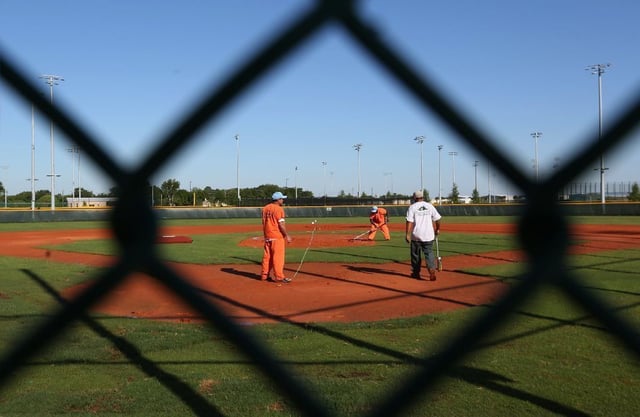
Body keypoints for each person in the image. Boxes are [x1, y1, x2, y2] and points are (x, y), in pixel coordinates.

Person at [405, 190, 442, 281]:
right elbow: (438, 219)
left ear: (415, 198)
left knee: (416, 255)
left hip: (416, 235)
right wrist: (437, 229)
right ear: (423, 197)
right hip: (429, 235)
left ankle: (416, 273)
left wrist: (407, 234)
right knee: (429, 253)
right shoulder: (430, 206)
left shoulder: (412, 207)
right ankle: (432, 270)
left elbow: (409, 221)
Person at [261, 191, 292, 283]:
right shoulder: (279, 209)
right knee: (278, 257)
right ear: (278, 200)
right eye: (282, 199)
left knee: (267, 257)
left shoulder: (265, 208)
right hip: (277, 236)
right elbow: (281, 225)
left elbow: (263, 222)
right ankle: (279, 277)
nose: (283, 200)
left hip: (267, 235)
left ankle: (264, 275)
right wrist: (287, 235)